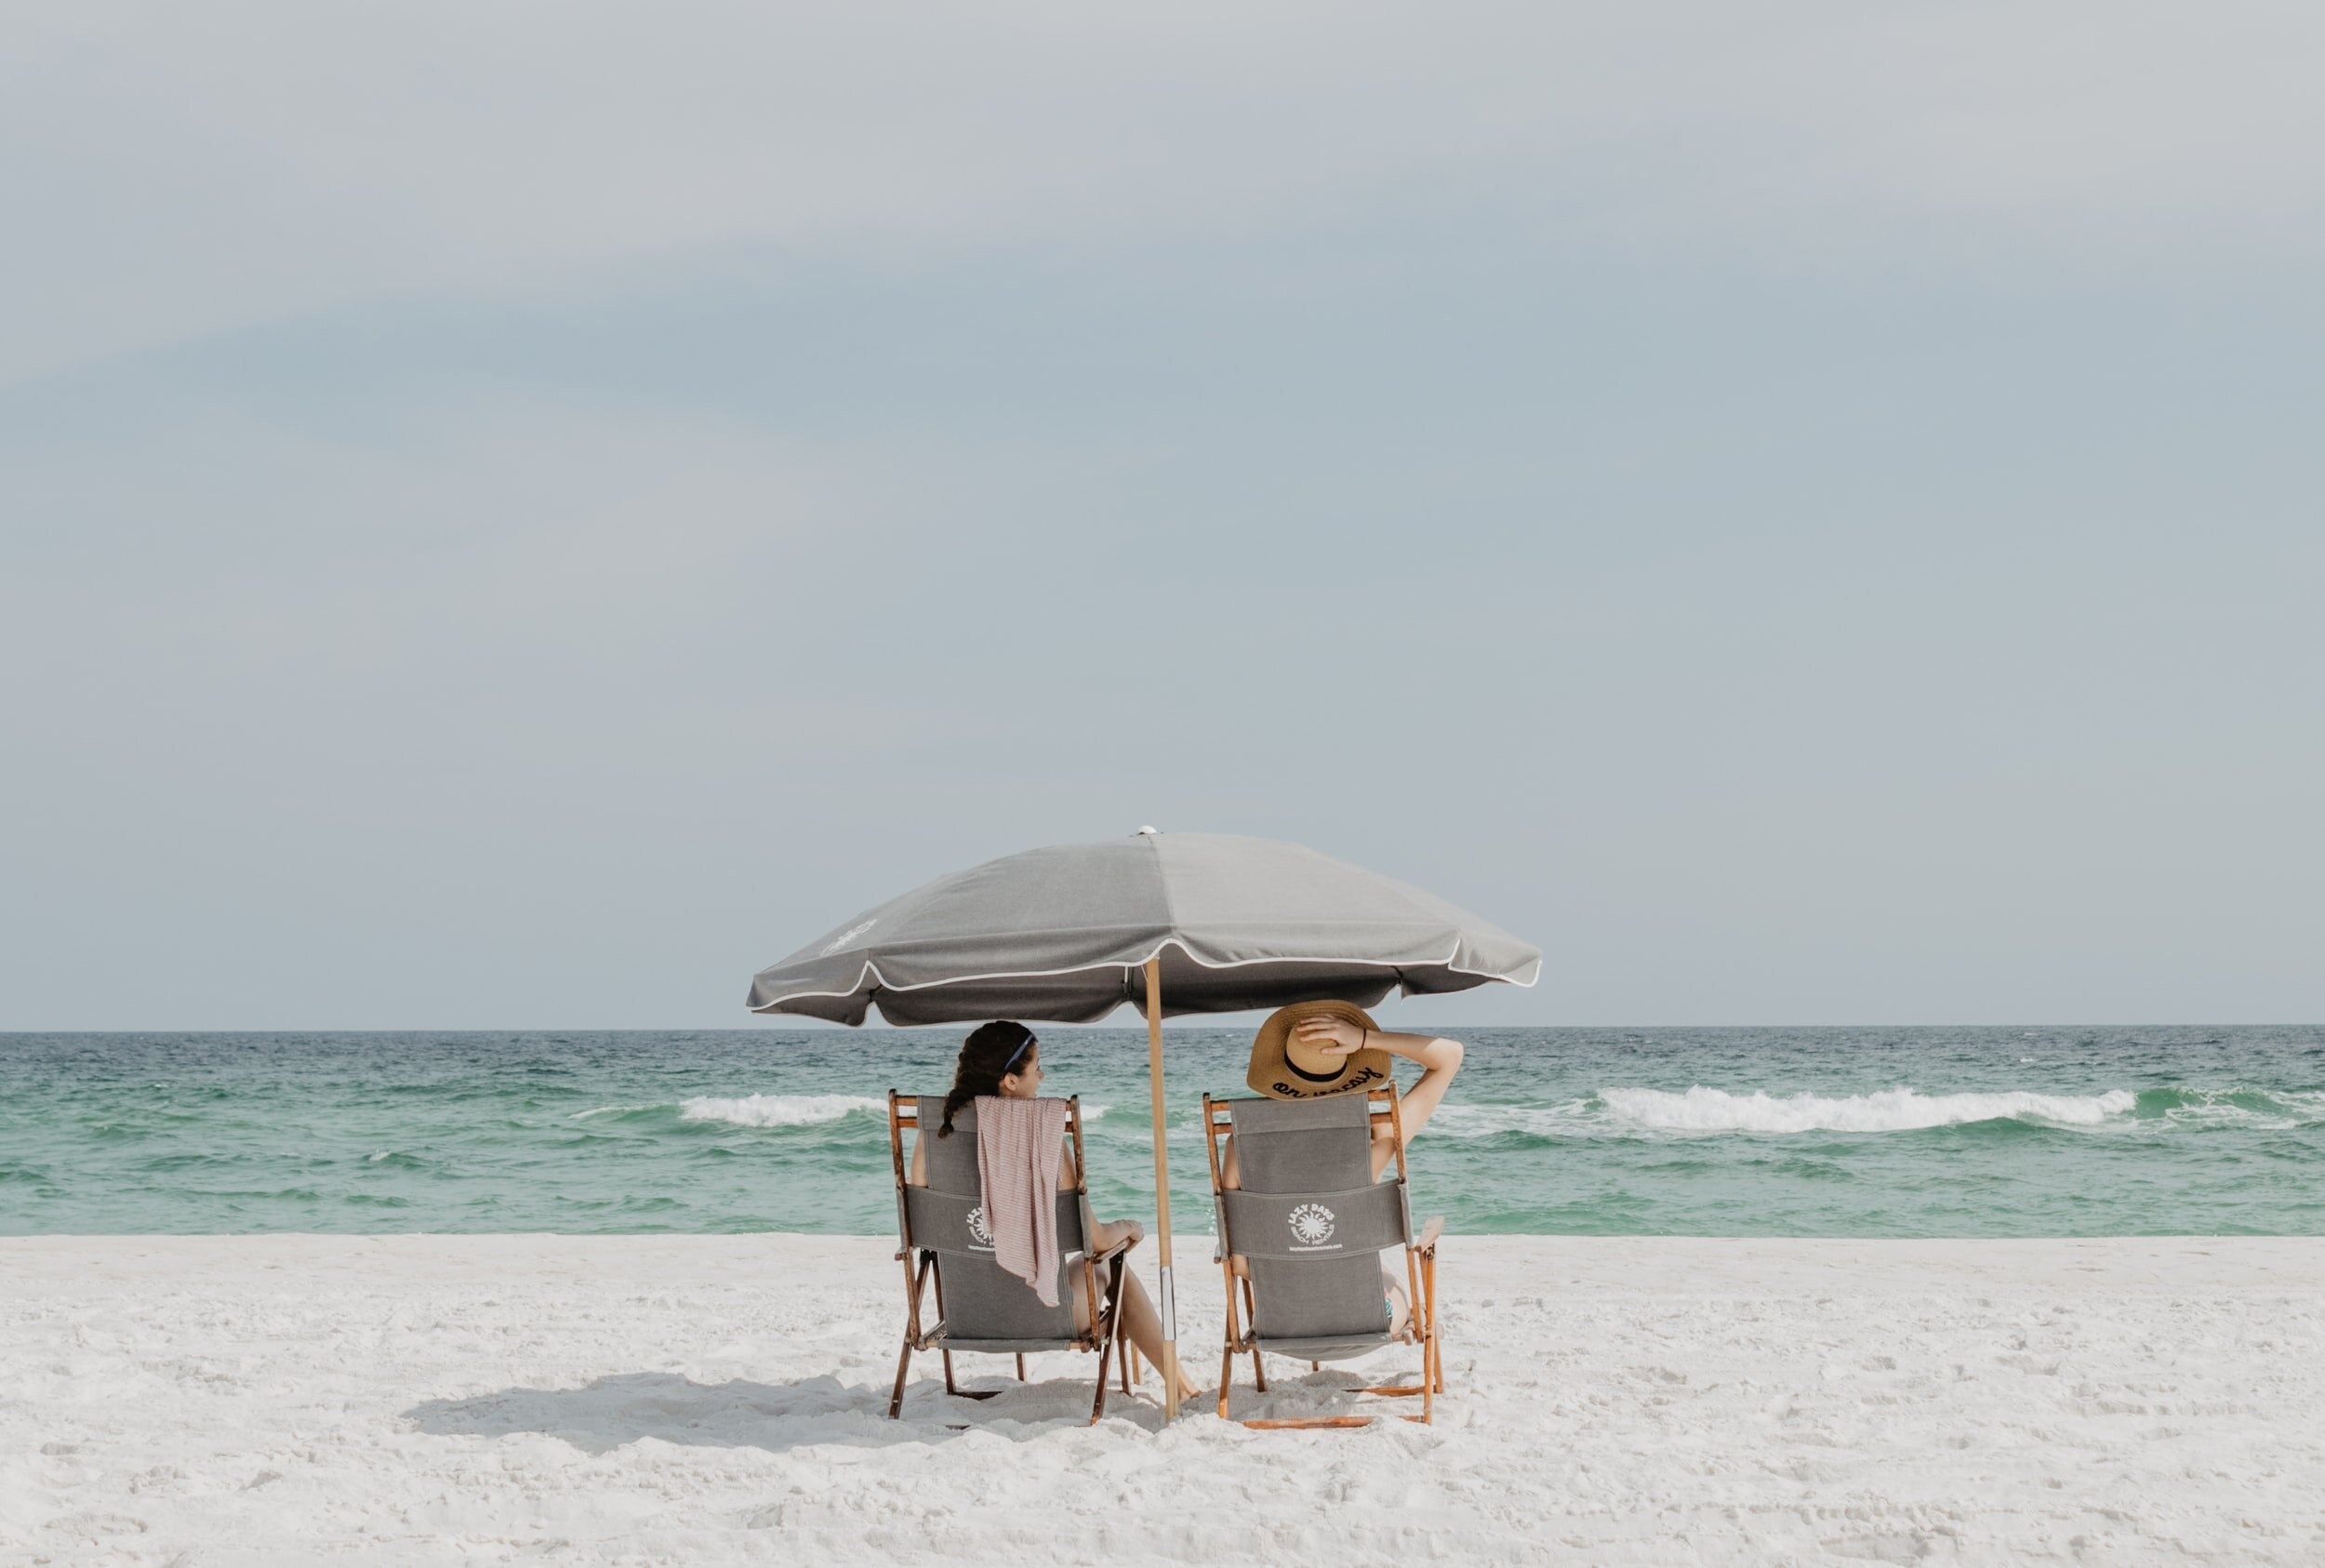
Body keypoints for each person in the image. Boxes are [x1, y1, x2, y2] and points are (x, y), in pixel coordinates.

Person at [910, 1020, 1200, 1402]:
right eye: (1036, 1068)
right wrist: (1128, 1227)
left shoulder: (934, 1136)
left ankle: (1183, 1386)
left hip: (964, 1313)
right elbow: (1094, 1240)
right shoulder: (1042, 1136)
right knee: (1114, 1268)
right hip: (1045, 1315)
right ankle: (1184, 1389)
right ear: (1010, 1081)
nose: (1042, 1076)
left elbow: (921, 1225)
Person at [1220, 1000, 1464, 1336]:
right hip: (1370, 1320)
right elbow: (1450, 1056)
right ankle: (1408, 1317)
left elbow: (1241, 1264)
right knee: (1388, 1278)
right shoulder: (1375, 1143)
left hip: (1281, 1323)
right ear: (1349, 1073)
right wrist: (1366, 1039)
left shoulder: (1240, 1147)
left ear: (1279, 1069)